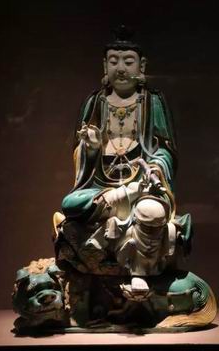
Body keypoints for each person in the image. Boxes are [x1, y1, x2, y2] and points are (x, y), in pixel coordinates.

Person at [57, 26, 191, 299]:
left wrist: (155, 168)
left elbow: (166, 150)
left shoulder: (152, 102)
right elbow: (81, 156)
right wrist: (91, 149)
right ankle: (120, 205)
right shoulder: (94, 102)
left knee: (152, 211)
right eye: (114, 61)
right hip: (100, 184)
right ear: (104, 65)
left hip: (143, 182)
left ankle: (139, 272)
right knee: (70, 205)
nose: (120, 68)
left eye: (128, 61)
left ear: (142, 66)